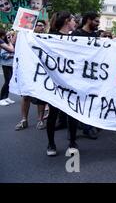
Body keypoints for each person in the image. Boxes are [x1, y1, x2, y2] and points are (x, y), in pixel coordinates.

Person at [45, 11, 79, 156]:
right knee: (53, 113)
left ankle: (72, 142)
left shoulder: (77, 38)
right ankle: (51, 144)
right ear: (66, 21)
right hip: (55, 81)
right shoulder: (51, 37)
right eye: (73, 20)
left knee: (73, 113)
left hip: (72, 82)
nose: (75, 22)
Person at [71, 11, 100, 140]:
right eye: (96, 21)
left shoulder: (95, 35)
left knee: (89, 100)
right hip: (78, 72)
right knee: (76, 100)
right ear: (88, 20)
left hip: (91, 73)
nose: (98, 24)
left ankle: (87, 127)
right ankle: (73, 129)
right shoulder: (77, 34)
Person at [15, 20, 47, 130]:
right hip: (27, 70)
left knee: (41, 96)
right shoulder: (24, 37)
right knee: (25, 95)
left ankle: (40, 120)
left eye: (43, 26)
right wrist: (19, 31)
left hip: (41, 71)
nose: (41, 27)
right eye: (38, 25)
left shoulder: (46, 38)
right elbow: (15, 43)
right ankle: (24, 120)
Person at [0, 29, 16, 106]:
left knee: (9, 81)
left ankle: (6, 97)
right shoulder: (3, 43)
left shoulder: (7, 43)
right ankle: (1, 98)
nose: (8, 37)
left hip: (10, 64)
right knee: (7, 81)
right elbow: (3, 55)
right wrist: (12, 55)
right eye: (7, 35)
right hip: (6, 64)